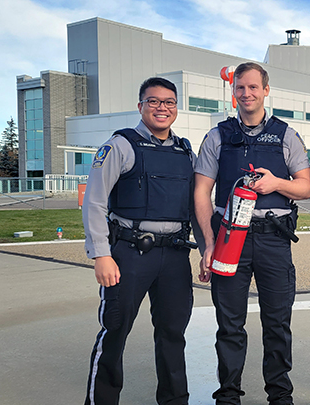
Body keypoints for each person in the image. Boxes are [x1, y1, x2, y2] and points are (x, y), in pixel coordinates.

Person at [194, 62, 310, 405]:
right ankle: (228, 395)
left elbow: (306, 187)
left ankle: (279, 395)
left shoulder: (286, 135)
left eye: (253, 87)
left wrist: (277, 183)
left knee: (277, 323)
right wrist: (208, 243)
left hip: (273, 238)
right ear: (233, 92)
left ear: (266, 91)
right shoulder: (218, 136)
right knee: (229, 324)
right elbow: (201, 192)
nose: (246, 93)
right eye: (240, 88)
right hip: (230, 239)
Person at [83, 77, 199, 405]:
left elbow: (194, 206)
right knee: (115, 331)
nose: (162, 108)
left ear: (176, 108)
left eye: (169, 102)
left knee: (173, 336)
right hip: (129, 255)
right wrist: (101, 255)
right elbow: (95, 201)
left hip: (175, 257)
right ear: (140, 106)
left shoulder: (185, 151)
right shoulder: (121, 145)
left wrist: (207, 251)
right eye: (153, 101)